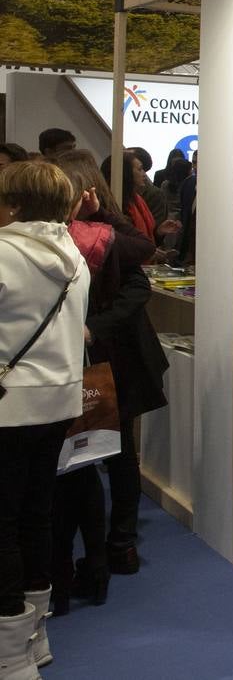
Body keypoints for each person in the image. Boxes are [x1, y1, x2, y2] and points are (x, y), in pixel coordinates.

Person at [53, 152, 168, 577]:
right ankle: (101, 549)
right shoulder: (70, 235)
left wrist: (92, 329)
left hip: (113, 359)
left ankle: (118, 545)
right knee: (85, 459)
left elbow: (139, 270)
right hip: (90, 358)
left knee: (115, 454)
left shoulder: (101, 235)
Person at [0, 160, 92, 675]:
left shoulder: (4, 252)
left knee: (3, 524)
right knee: (36, 515)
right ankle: (33, 637)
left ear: (14, 203)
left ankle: (10, 654)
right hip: (58, 402)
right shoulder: (73, 255)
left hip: (9, 406)